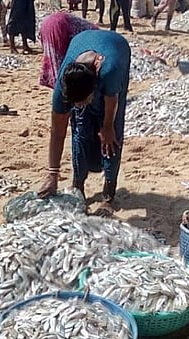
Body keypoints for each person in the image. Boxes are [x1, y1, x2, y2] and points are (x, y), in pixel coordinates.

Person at [37, 30, 131, 217]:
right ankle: (78, 186)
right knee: (80, 126)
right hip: (82, 42)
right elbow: (57, 133)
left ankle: (108, 195)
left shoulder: (110, 71)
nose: (79, 105)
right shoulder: (64, 85)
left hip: (118, 47)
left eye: (83, 100)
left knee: (111, 137)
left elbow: (112, 99)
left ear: (93, 88)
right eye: (75, 103)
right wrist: (52, 174)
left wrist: (107, 127)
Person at [39, 12, 99, 89]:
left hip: (47, 24)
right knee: (60, 60)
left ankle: (56, 82)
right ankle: (60, 85)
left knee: (53, 56)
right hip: (60, 26)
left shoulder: (89, 29)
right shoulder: (93, 35)